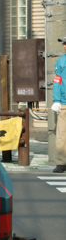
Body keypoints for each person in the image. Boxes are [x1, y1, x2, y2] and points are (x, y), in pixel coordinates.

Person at [51, 36, 66, 173]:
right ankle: (61, 163)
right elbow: (57, 81)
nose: (65, 46)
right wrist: (56, 100)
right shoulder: (61, 61)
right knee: (62, 134)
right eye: (64, 44)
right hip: (64, 103)